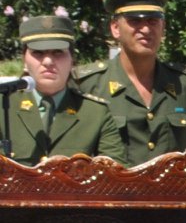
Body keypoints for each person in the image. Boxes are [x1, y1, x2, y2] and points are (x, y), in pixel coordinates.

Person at [74, 0, 186, 173]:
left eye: (152, 21)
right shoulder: (89, 84)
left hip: (168, 200)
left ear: (163, 27)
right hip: (112, 200)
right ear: (115, 28)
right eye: (135, 21)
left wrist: (174, 185)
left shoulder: (185, 85)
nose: (146, 29)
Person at [3, 15, 126, 165]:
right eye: (38, 53)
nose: (48, 61)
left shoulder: (95, 113)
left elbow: (115, 174)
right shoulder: (4, 108)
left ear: (72, 60)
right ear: (24, 60)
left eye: (58, 52)